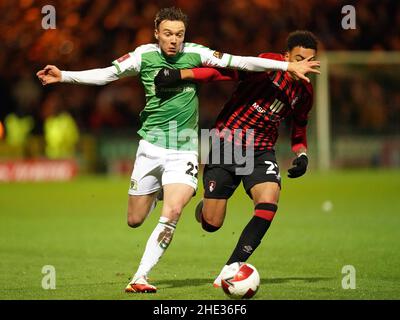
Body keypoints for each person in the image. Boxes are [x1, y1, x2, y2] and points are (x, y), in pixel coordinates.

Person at [36, 5, 320, 293]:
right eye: (169, 34)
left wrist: (302, 153)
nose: (174, 40)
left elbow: (240, 64)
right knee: (145, 220)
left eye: (180, 35)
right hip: (165, 144)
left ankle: (151, 276)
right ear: (157, 33)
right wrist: (65, 76)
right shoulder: (142, 55)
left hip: (194, 148)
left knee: (180, 211)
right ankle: (171, 193)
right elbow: (108, 74)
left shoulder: (198, 53)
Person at [155, 30, 319, 287]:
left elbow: (299, 129)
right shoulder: (267, 66)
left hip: (261, 149)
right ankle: (204, 208)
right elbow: (224, 72)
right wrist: (180, 74)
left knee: (269, 200)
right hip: (228, 141)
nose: (303, 66)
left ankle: (231, 267)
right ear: (286, 56)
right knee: (212, 224)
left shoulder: (305, 93)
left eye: (309, 61)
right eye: (298, 59)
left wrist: (302, 154)